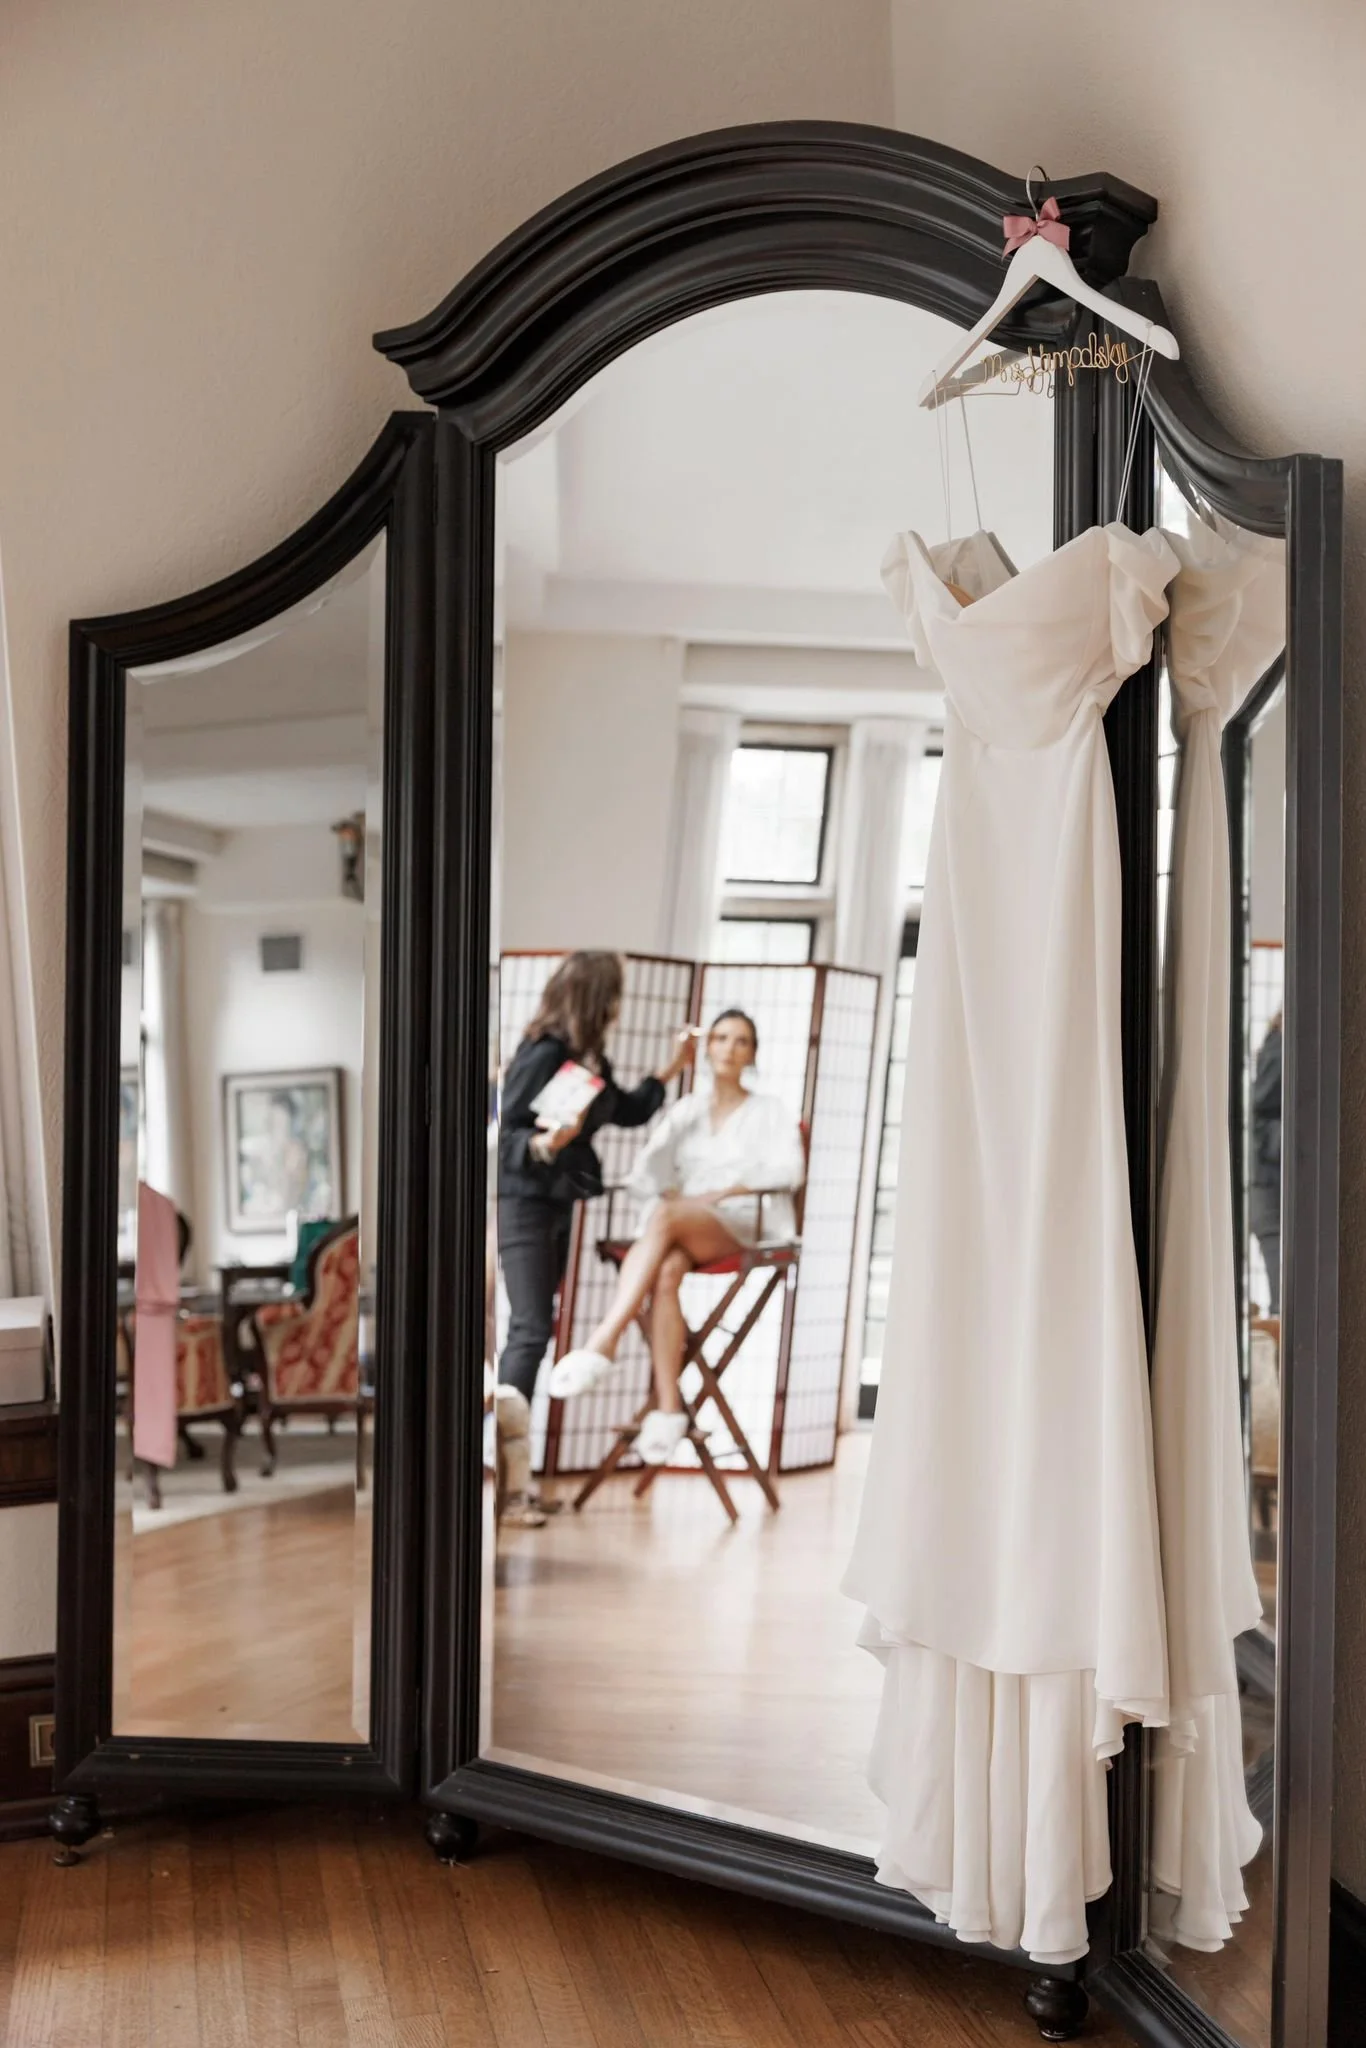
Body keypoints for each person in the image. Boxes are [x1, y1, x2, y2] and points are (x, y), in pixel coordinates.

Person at [550, 1009, 805, 1466]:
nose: (729, 1048)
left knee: (666, 1217)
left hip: (744, 1222)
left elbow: (790, 1170)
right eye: (720, 1038)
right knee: (666, 1272)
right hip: (684, 1223)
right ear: (707, 1048)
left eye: (741, 1041)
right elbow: (647, 1170)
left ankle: (603, 1340)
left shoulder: (770, 1110)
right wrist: (671, 1190)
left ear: (753, 1053)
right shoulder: (687, 1110)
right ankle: (669, 1409)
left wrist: (730, 1189)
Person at [495, 951, 693, 1524]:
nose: (618, 1006)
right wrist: (545, 1145)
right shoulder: (544, 1053)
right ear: (596, 996)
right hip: (524, 1202)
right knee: (530, 1330)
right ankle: (505, 1488)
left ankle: (516, 1481)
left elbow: (625, 1110)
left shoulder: (587, 1057)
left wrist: (672, 1068)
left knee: (537, 1329)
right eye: (615, 994)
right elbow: (506, 1131)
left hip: (556, 1202)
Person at [1249, 1011, 1282, 1315]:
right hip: (1269, 1186)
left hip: (1269, 1184)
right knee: (1284, 1296)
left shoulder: (1277, 1046)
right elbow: (1260, 1113)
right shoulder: (1280, 1047)